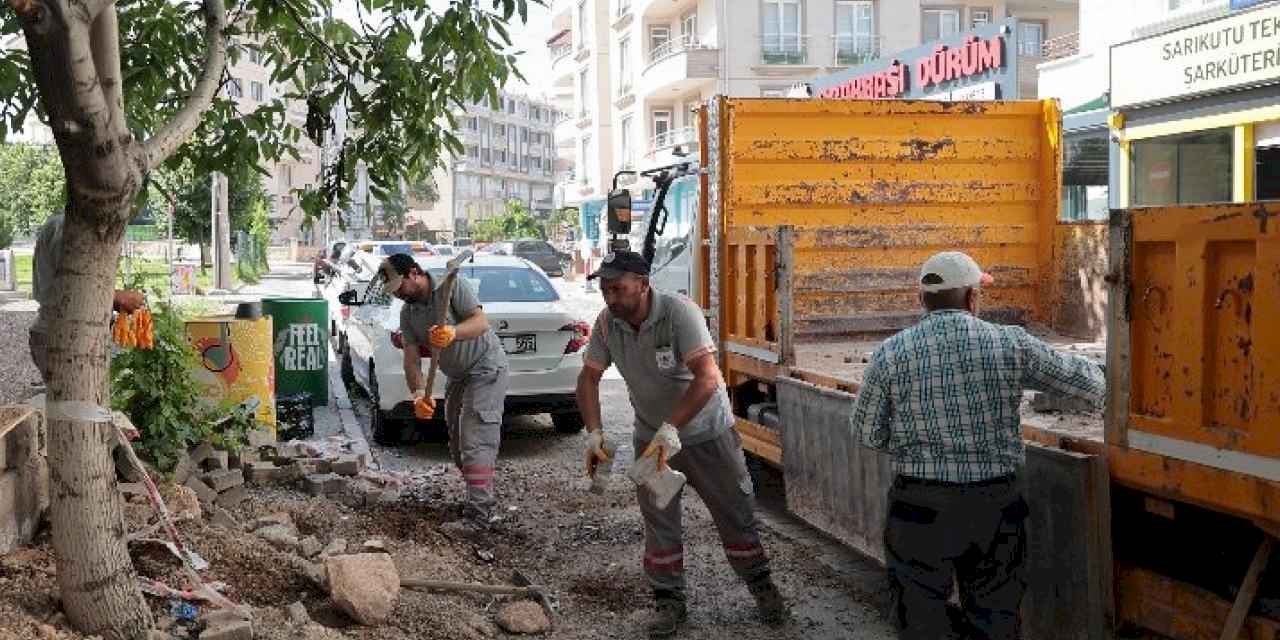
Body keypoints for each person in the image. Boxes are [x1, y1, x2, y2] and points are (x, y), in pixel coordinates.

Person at [849, 251, 1106, 640]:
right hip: (994, 505)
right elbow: (1090, 384)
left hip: (919, 506)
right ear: (972, 298)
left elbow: (866, 432)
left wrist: (913, 445)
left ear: (922, 300)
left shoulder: (891, 353)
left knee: (920, 619)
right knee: (995, 617)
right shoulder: (1010, 343)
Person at [575, 250, 788, 638]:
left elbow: (708, 379)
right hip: (650, 440)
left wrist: (670, 431)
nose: (610, 298)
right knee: (659, 522)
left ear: (642, 284)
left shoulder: (679, 314)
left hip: (706, 435)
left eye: (618, 289)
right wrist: (595, 434)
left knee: (734, 513)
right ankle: (668, 602)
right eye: (605, 290)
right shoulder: (608, 324)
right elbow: (588, 379)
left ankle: (761, 585)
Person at [378, 252, 509, 537]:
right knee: (458, 443)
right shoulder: (409, 313)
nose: (399, 294)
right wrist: (416, 394)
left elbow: (480, 322)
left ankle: (479, 519)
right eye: (393, 291)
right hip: (458, 376)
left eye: (400, 287)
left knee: (476, 439)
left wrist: (452, 331)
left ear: (414, 273)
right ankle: (478, 499)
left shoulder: (452, 286)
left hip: (486, 368)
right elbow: (411, 360)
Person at [29, 212, 146, 384]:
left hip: (63, 333)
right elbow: (72, 287)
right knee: (76, 406)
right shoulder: (70, 229)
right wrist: (117, 297)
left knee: (78, 405)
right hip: (63, 338)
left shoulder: (67, 223)